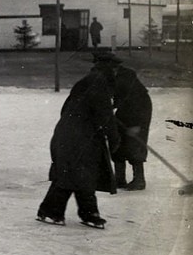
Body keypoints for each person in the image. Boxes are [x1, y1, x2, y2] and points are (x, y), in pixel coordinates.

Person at [36, 52, 121, 229]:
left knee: (80, 174)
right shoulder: (99, 83)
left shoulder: (88, 81)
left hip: (71, 134)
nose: (116, 72)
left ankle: (87, 213)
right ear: (109, 68)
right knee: (72, 174)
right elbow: (104, 114)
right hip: (77, 137)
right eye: (114, 69)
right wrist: (114, 139)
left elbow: (72, 108)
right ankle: (51, 211)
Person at [110, 58, 153, 191]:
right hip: (125, 110)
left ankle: (139, 180)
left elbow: (136, 102)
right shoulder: (115, 76)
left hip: (138, 112)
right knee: (117, 141)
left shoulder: (125, 78)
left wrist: (137, 125)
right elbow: (118, 97)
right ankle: (119, 179)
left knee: (134, 144)